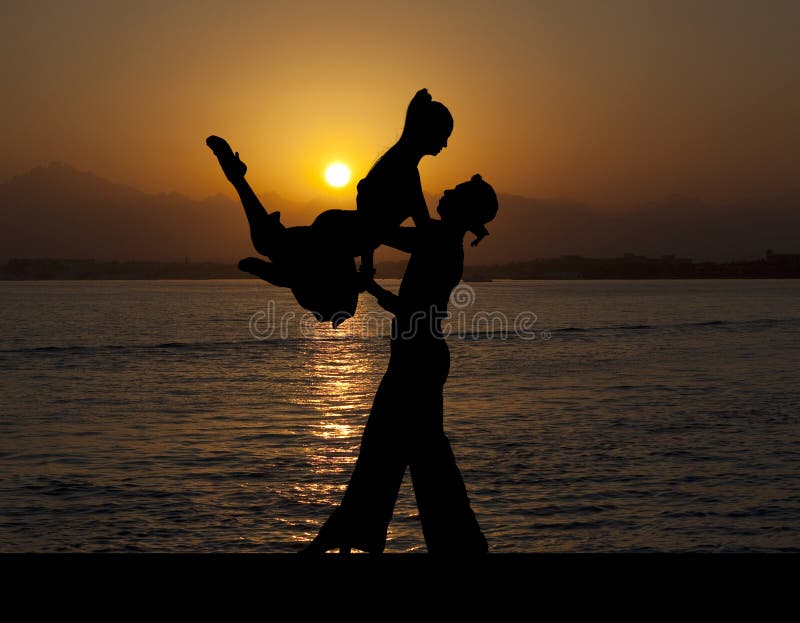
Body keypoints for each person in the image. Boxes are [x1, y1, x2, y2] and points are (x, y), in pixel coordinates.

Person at [303, 174, 498, 555]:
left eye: (454, 192)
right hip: (419, 358)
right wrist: (374, 283)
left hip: (417, 361)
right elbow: (393, 247)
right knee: (415, 455)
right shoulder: (440, 238)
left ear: (463, 209)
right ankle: (453, 544)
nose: (446, 191)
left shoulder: (439, 239)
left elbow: (387, 242)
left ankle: (354, 535)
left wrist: (369, 268)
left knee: (388, 450)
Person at [205, 89, 453, 326]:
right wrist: (454, 230)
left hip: (338, 229)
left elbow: (377, 213)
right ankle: (286, 274)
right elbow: (420, 233)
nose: (445, 145)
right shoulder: (406, 172)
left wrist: (369, 261)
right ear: (429, 131)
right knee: (334, 303)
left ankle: (238, 179)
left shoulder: (397, 161)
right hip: (339, 238)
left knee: (269, 242)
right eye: (445, 136)